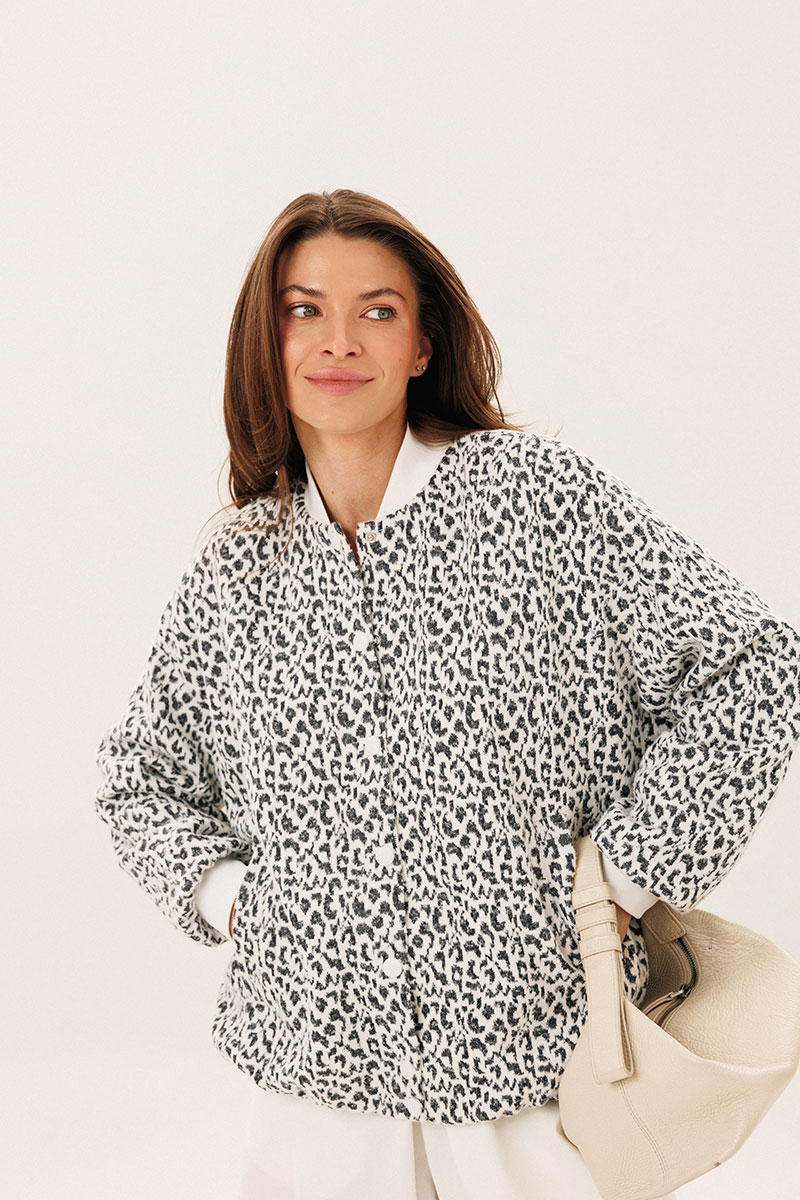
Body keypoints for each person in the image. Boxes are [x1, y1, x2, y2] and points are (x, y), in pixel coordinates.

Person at [94, 188, 800, 1200]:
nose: (338, 340)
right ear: (265, 342)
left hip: (535, 1070)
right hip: (318, 1087)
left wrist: (623, 879)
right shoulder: (238, 569)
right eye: (303, 310)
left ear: (422, 344)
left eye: (376, 310)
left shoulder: (534, 499)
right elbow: (139, 780)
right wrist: (239, 903)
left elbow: (751, 666)